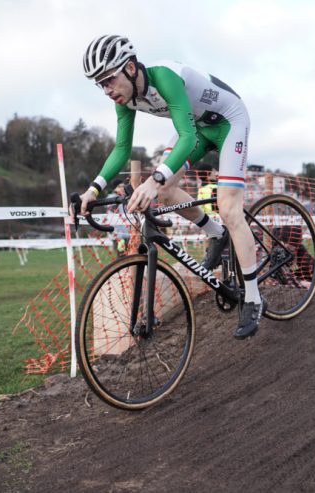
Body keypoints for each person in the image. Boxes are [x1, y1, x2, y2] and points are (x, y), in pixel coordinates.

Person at [76, 35, 262, 339]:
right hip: (198, 127)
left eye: (109, 79)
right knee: (164, 189)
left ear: (131, 68)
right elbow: (122, 149)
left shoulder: (165, 76)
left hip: (229, 122)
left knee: (228, 207)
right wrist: (93, 190)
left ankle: (253, 297)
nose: (107, 90)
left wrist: (154, 179)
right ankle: (216, 234)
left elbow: (185, 138)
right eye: (101, 84)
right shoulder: (126, 99)